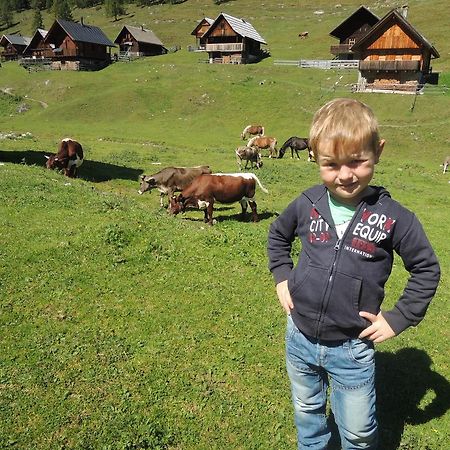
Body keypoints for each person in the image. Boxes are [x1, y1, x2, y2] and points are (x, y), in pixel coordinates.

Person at [267, 98, 440, 450]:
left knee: (359, 434)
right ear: (314, 156)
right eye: (331, 165)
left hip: (352, 349)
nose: (345, 175)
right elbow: (277, 235)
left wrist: (399, 318)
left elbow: (426, 268)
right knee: (307, 412)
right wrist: (283, 275)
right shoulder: (307, 203)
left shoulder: (395, 218)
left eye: (357, 162)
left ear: (377, 152)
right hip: (298, 338)